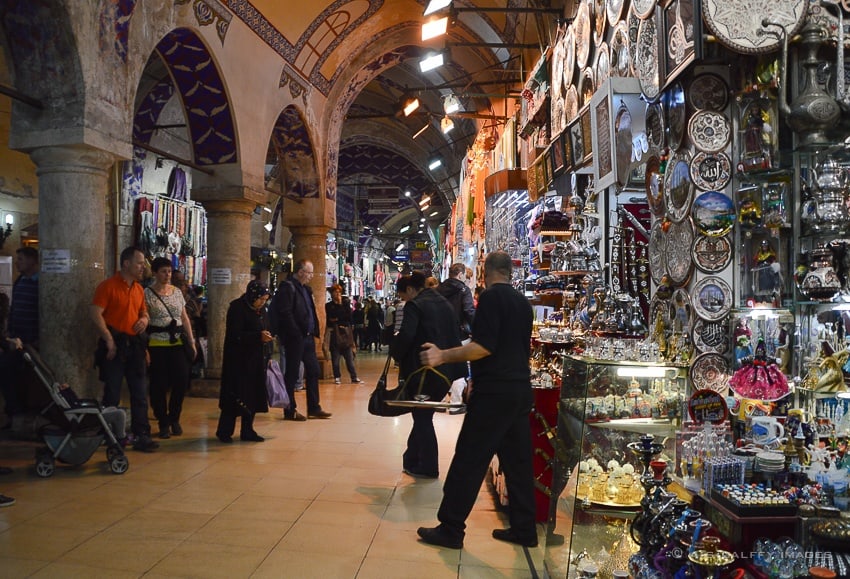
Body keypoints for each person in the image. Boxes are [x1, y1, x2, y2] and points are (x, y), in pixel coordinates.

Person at [417, 251, 537, 549]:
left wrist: (443, 355)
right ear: (510, 271)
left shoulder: (492, 299)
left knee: (469, 459)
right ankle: (525, 530)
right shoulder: (523, 303)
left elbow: (483, 347)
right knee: (519, 464)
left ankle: (451, 528)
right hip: (519, 390)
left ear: (486, 271)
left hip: (495, 394)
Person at [391, 271, 465, 479]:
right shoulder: (444, 303)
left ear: (411, 289)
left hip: (426, 370)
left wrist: (395, 352)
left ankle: (428, 466)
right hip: (447, 370)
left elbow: (406, 335)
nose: (405, 300)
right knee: (423, 413)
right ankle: (412, 458)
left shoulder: (416, 305)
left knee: (422, 416)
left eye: (404, 295)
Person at [91, 246, 158, 452]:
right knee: (112, 392)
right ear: (126, 263)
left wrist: (144, 320)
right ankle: (110, 435)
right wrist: (109, 340)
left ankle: (141, 434)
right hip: (115, 345)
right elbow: (95, 313)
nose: (143, 267)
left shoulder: (138, 288)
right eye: (139, 263)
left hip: (135, 345)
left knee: (139, 392)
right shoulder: (108, 286)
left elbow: (143, 312)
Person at [272, 259, 332, 421]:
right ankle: (289, 410)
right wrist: (295, 333)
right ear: (300, 272)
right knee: (291, 374)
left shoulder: (305, 289)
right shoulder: (288, 288)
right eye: (309, 272)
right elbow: (285, 313)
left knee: (313, 371)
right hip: (295, 338)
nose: (311, 276)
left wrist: (313, 332)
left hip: (307, 338)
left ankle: (314, 407)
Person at [144, 257, 196, 438]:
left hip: (177, 343)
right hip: (157, 344)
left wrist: (191, 340)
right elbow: (144, 318)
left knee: (181, 382)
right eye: (163, 271)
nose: (167, 275)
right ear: (155, 273)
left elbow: (184, 316)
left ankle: (175, 418)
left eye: (169, 271)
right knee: (158, 385)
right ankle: (163, 421)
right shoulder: (147, 293)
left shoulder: (176, 292)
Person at [216, 280, 273, 442]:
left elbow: (266, 327)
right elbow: (235, 334)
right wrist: (257, 337)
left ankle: (248, 430)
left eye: (265, 300)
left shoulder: (261, 311)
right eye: (260, 299)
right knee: (235, 396)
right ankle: (225, 431)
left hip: (255, 360)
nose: (262, 303)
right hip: (238, 361)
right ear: (252, 295)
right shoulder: (237, 308)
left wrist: (266, 341)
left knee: (252, 396)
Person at [1, 246, 39, 420]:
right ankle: (14, 411)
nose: (17, 262)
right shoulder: (20, 281)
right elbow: (14, 309)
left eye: (21, 259)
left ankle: (18, 411)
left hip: (32, 341)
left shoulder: (40, 283)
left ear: (32, 261)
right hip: (17, 339)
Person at [437, 263, 476, 412]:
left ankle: (439, 402)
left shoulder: (439, 289)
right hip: (460, 335)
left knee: (442, 367)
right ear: (460, 275)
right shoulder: (463, 290)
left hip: (440, 335)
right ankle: (455, 404)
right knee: (460, 367)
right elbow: (468, 311)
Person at [324, 284, 362, 385]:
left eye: (339, 292)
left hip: (346, 334)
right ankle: (337, 376)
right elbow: (330, 318)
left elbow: (348, 317)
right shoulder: (328, 305)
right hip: (335, 334)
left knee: (349, 359)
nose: (337, 294)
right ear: (331, 294)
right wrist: (338, 317)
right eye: (335, 292)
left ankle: (354, 376)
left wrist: (338, 314)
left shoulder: (345, 303)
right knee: (335, 359)